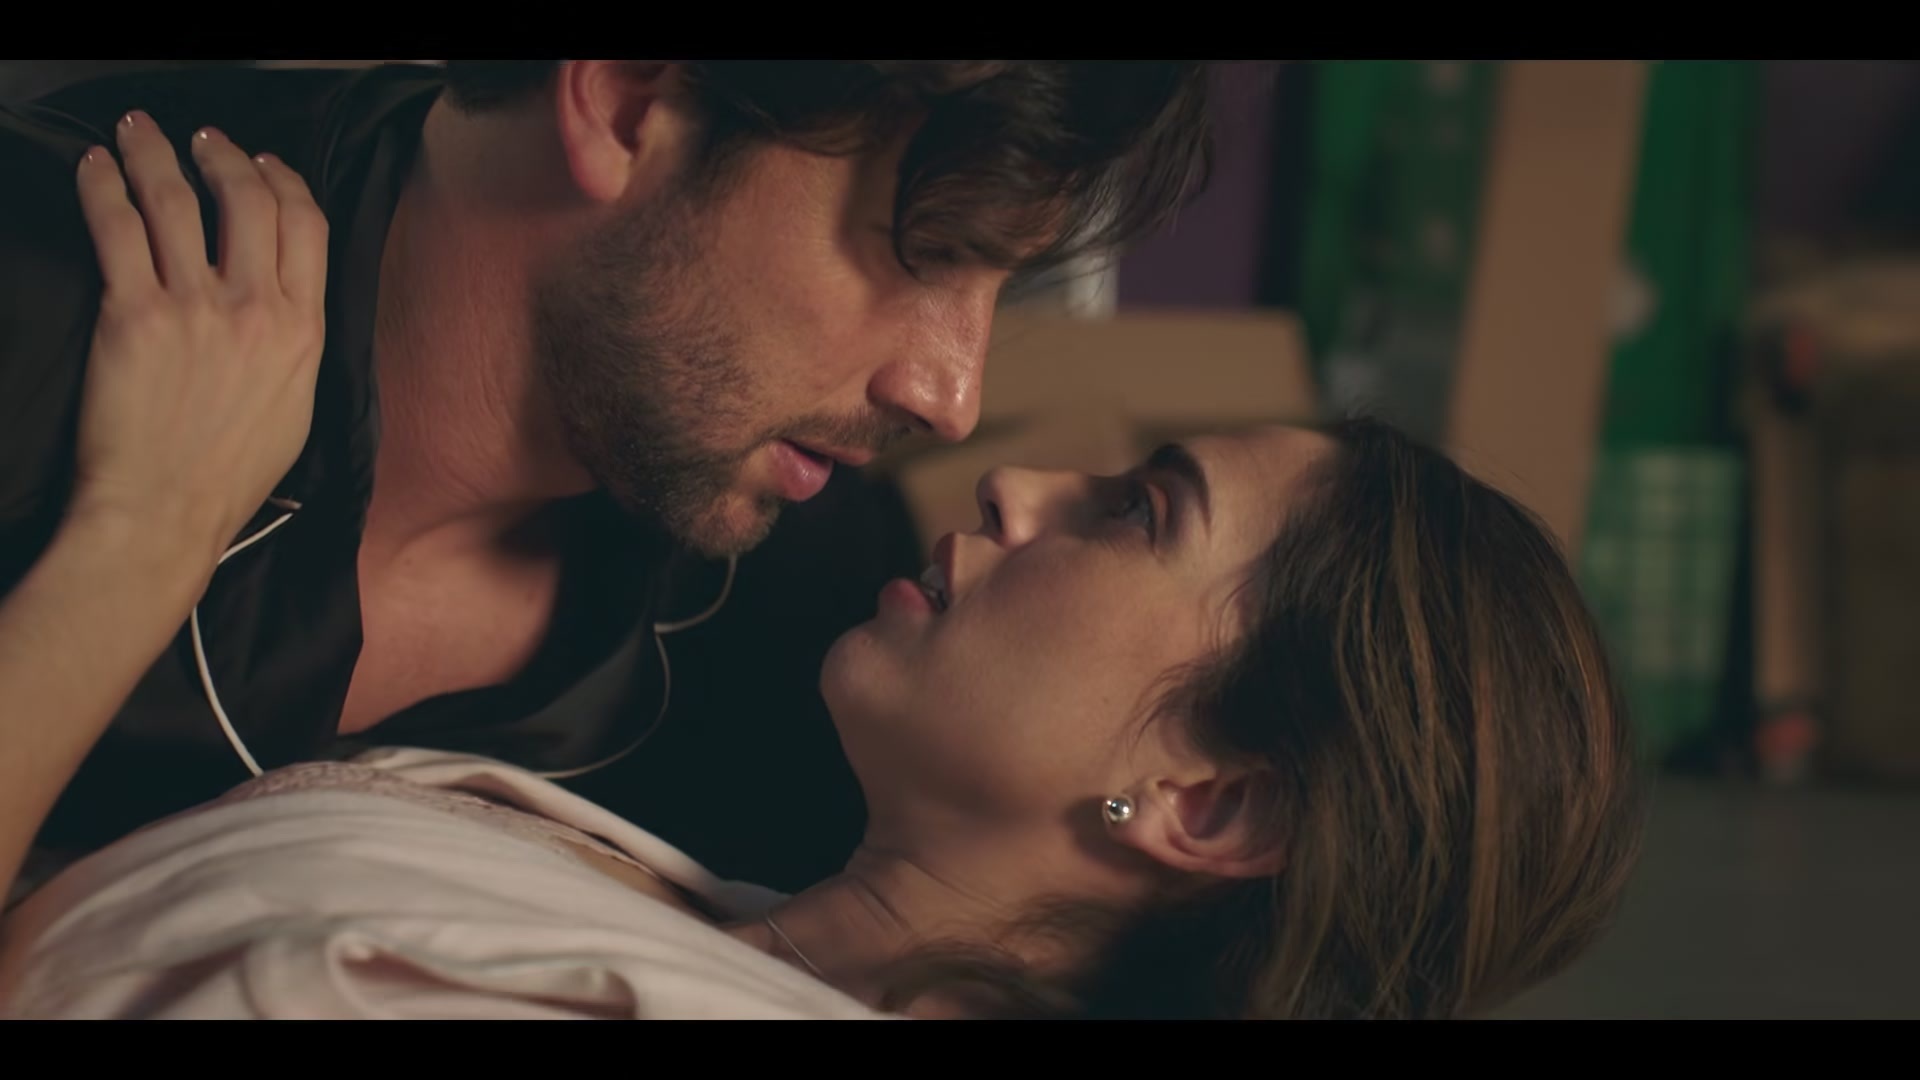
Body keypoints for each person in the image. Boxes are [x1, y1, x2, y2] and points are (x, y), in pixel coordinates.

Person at [0, 61, 1214, 885]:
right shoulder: (51, 290)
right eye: (928, 253)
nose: (952, 397)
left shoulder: (821, 609)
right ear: (633, 101)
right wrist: (135, 548)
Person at [0, 412, 1647, 1019]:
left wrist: (141, 530)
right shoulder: (729, 912)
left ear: (1212, 803)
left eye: (1140, 512)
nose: (1015, 483)